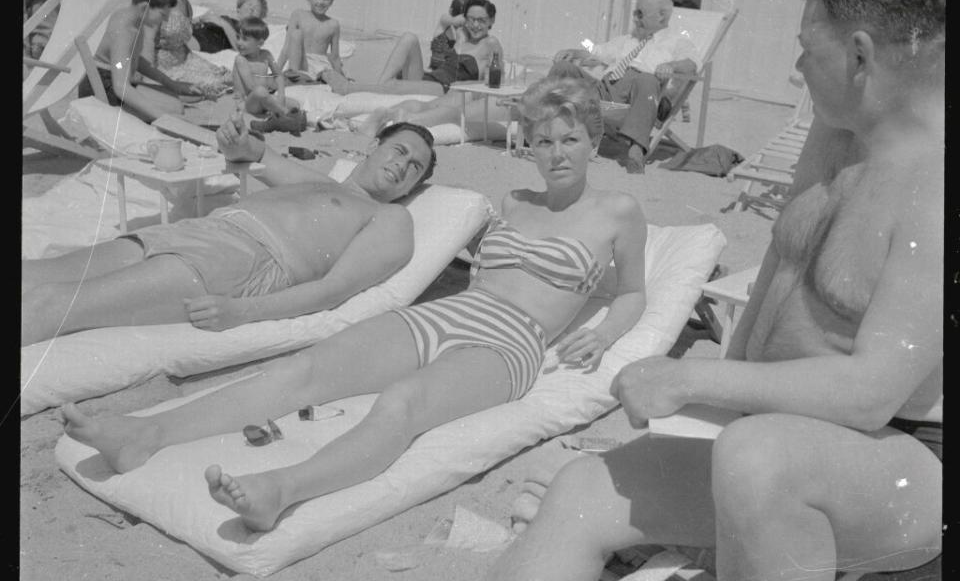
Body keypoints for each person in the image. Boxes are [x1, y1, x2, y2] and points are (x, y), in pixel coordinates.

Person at [265, 0, 943, 581]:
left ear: (861, 54)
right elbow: (777, 287)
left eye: (806, 47)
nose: (796, 66)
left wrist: (695, 388)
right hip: (766, 439)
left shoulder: (936, 188)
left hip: (895, 462)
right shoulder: (837, 134)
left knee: (762, 460)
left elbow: (873, 392)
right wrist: (711, 404)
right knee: (588, 489)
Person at [62, 76, 648, 529]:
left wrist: (606, 331)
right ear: (530, 147)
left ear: (594, 142)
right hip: (443, 314)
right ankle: (146, 435)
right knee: (304, 369)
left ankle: (281, 490)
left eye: (571, 139)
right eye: (544, 141)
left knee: (402, 403)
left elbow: (633, 292)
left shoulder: (618, 212)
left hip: (510, 341)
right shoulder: (515, 199)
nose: (557, 153)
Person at [22, 121, 436, 347]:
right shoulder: (322, 182)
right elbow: (253, 153)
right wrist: (235, 140)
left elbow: (333, 290)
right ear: (374, 147)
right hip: (199, 230)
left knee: (53, 304)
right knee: (34, 274)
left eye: (415, 167)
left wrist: (243, 312)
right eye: (400, 151)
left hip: (242, 262)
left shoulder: (391, 219)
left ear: (412, 189)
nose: (403, 165)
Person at [553, 0, 699, 173]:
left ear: (661, 16)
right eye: (634, 13)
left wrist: (671, 65)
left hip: (637, 97)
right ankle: (545, 128)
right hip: (604, 89)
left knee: (647, 79)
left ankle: (636, 150)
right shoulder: (628, 39)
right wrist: (575, 52)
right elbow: (597, 51)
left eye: (640, 14)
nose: (635, 19)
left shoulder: (677, 42)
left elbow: (692, 64)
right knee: (563, 69)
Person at [76, 0, 203, 122]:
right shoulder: (124, 31)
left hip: (110, 80)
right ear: (145, 8)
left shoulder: (133, 19)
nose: (166, 19)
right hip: (101, 89)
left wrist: (172, 84)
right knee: (174, 109)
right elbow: (120, 87)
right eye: (163, 14)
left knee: (174, 101)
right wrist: (164, 119)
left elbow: (130, 60)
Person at [327, 0, 502, 99]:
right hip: (431, 78)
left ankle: (348, 88)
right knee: (409, 37)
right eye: (471, 19)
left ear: (491, 21)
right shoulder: (462, 34)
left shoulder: (490, 43)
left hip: (447, 87)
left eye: (482, 20)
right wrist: (464, 21)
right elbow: (446, 20)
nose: (476, 25)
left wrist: (463, 88)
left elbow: (492, 83)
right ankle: (380, 87)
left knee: (396, 86)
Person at [143, 0, 233, 99]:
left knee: (229, 78)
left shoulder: (186, 4)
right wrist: (150, 79)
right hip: (163, 68)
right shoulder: (159, 1)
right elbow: (146, 41)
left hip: (185, 61)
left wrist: (201, 65)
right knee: (211, 87)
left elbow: (181, 43)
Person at [232, 15, 302, 122]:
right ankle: (284, 113)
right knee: (260, 91)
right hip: (247, 104)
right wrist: (271, 100)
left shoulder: (266, 55)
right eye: (238, 37)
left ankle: (279, 111)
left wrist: (281, 96)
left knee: (295, 104)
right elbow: (251, 87)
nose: (239, 43)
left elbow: (278, 75)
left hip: (263, 99)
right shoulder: (241, 60)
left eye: (244, 39)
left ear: (260, 43)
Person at [276, 0, 344, 83]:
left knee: (326, 74)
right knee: (296, 34)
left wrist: (342, 78)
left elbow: (335, 57)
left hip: (320, 65)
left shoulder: (333, 24)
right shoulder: (298, 14)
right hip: (300, 62)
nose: (321, 2)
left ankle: (312, 79)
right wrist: (276, 72)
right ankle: (294, 76)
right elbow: (286, 48)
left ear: (331, 2)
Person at [192, 0, 269, 54]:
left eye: (257, 8)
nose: (252, 8)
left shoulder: (252, 30)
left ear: (259, 19)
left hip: (204, 40)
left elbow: (241, 48)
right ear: (239, 9)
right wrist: (199, 19)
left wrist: (223, 24)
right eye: (249, 4)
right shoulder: (226, 18)